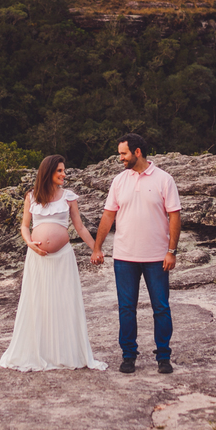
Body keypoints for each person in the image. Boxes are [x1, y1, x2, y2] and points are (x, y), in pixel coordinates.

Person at [0, 155, 107, 371]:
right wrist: (30, 243)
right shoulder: (32, 196)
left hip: (63, 258)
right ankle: (40, 351)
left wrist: (96, 249)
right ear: (48, 172)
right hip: (37, 259)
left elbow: (79, 227)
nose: (64, 174)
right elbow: (24, 226)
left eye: (63, 170)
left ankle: (65, 353)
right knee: (38, 303)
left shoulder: (68, 197)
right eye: (59, 171)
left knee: (64, 303)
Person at [90, 133, 182, 374]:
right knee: (126, 308)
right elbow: (108, 215)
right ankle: (128, 355)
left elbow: (174, 216)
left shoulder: (164, 179)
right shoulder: (119, 181)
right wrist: (97, 247)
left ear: (137, 152)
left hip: (157, 257)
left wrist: (171, 251)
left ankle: (164, 357)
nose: (120, 158)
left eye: (123, 153)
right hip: (124, 257)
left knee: (161, 308)